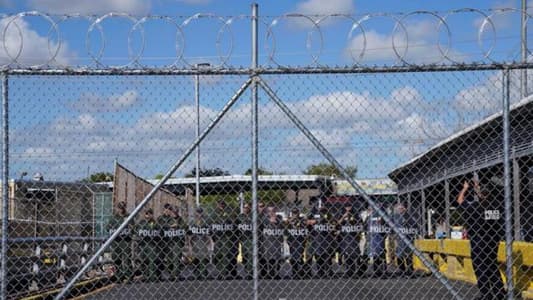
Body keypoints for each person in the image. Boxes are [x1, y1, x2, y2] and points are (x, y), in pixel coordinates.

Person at [457, 178, 505, 300]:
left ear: (479, 194)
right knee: (492, 266)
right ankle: (499, 292)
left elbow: (460, 201)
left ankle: (486, 294)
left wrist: (466, 188)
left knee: (480, 268)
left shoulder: (475, 206)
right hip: (493, 240)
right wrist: (478, 188)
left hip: (479, 241)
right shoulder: (497, 206)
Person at [106, 201, 133, 282]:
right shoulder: (114, 218)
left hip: (126, 240)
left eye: (123, 208)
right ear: (117, 208)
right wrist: (114, 230)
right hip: (116, 241)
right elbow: (107, 228)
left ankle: (129, 276)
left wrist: (129, 226)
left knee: (127, 258)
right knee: (116, 258)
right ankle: (119, 276)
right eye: (120, 208)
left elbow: (133, 227)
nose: (121, 210)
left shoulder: (128, 216)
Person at [307, 205, 336, 278]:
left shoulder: (328, 214)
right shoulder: (312, 213)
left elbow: (333, 224)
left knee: (327, 256)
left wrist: (330, 223)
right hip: (316, 239)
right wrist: (311, 222)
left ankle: (329, 271)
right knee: (318, 256)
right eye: (319, 205)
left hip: (327, 239)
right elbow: (307, 222)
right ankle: (320, 272)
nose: (321, 207)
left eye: (322, 205)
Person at [211, 200, 238, 279]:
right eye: (219, 204)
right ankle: (221, 270)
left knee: (225, 255)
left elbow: (233, 224)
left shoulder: (229, 213)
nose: (221, 206)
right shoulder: (214, 214)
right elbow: (210, 225)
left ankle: (223, 273)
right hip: (217, 238)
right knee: (217, 255)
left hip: (226, 238)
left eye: (222, 204)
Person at [160, 204, 187, 280]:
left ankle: (175, 275)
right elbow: (161, 227)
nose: (175, 213)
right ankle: (172, 273)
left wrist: (178, 226)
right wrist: (170, 227)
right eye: (173, 211)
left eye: (176, 211)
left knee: (176, 259)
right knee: (169, 260)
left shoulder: (180, 220)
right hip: (168, 242)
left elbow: (186, 227)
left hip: (177, 242)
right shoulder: (167, 219)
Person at [338, 202, 365, 278]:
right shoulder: (342, 214)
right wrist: (343, 217)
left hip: (354, 238)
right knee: (347, 255)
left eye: (349, 206)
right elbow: (338, 223)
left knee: (355, 255)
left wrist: (358, 231)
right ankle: (349, 272)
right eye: (346, 207)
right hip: (345, 238)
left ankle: (358, 271)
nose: (348, 208)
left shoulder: (356, 214)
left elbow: (361, 224)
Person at [187, 207, 213, 280]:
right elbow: (189, 235)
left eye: (200, 213)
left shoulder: (205, 223)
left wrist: (208, 244)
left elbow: (209, 235)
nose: (199, 214)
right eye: (198, 213)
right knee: (195, 259)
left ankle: (204, 274)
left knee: (204, 259)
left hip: (203, 242)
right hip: (195, 242)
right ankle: (196, 274)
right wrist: (190, 245)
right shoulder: (193, 223)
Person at [136, 208, 161, 282]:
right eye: (146, 214)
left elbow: (159, 232)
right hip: (143, 244)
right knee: (143, 260)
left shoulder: (155, 223)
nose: (147, 215)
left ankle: (152, 276)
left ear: (152, 215)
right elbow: (136, 230)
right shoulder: (141, 222)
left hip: (151, 244)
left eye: (149, 214)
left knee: (152, 261)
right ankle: (145, 275)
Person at [392, 203, 417, 277]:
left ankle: (410, 271)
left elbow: (415, 226)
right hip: (399, 239)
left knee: (408, 255)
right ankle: (402, 270)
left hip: (408, 238)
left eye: (401, 209)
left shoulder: (409, 217)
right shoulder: (395, 217)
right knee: (399, 255)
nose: (400, 210)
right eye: (399, 209)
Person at [260, 206, 284, 279]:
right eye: (269, 211)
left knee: (277, 258)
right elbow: (264, 221)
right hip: (267, 242)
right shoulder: (264, 218)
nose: (271, 212)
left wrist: (275, 219)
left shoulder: (279, 217)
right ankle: (270, 273)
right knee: (268, 258)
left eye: (273, 210)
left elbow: (281, 222)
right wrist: (270, 220)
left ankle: (276, 273)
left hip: (277, 242)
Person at [285, 207, 308, 279]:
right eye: (294, 213)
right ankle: (294, 272)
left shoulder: (302, 219)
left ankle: (302, 271)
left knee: (300, 257)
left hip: (300, 240)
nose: (295, 214)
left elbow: (306, 223)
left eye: (296, 213)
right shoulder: (289, 220)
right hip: (292, 241)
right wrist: (292, 219)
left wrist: (299, 220)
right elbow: (285, 223)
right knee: (293, 257)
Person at [367, 206, 388, 276]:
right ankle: (376, 271)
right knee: (375, 254)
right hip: (373, 237)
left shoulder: (383, 216)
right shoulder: (369, 217)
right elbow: (366, 226)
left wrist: (381, 221)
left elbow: (386, 226)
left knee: (382, 253)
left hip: (380, 236)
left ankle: (384, 270)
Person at [238, 203, 253, 279]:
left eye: (248, 207)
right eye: (245, 207)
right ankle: (247, 270)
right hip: (243, 239)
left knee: (250, 255)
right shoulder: (240, 217)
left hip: (251, 239)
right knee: (244, 257)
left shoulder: (253, 216)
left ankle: (249, 273)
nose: (246, 209)